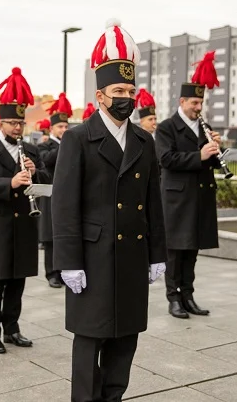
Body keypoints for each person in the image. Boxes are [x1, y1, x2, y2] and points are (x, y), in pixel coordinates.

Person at [53, 20, 166, 402]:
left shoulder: (143, 140)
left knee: (125, 339)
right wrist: (68, 260)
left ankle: (114, 397)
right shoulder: (78, 138)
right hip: (93, 257)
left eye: (131, 91)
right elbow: (65, 205)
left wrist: (158, 255)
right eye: (118, 90)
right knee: (90, 341)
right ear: (100, 95)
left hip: (132, 255)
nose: (126, 98)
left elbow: (154, 202)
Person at [0, 67, 50, 354]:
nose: (18, 128)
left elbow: (44, 180)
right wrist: (11, 181)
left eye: (20, 123)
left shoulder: (30, 150)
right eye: (12, 123)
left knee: (17, 280)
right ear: (0, 124)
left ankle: (12, 328)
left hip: (23, 224)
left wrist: (34, 172)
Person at [154, 51, 222, 319]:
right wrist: (200, 155)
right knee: (175, 251)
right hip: (177, 199)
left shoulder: (204, 126)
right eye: (194, 102)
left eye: (201, 102)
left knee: (192, 250)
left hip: (200, 196)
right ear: (182, 101)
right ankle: (173, 298)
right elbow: (166, 159)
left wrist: (217, 150)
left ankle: (188, 295)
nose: (198, 107)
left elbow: (212, 162)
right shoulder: (167, 127)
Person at [38, 92, 72, 288]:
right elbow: (46, 159)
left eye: (67, 127)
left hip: (68, 195)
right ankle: (51, 273)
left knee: (66, 236)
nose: (64, 129)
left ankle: (65, 271)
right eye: (60, 127)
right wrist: (66, 143)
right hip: (51, 196)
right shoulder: (45, 145)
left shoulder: (71, 143)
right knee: (51, 238)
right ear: (52, 128)